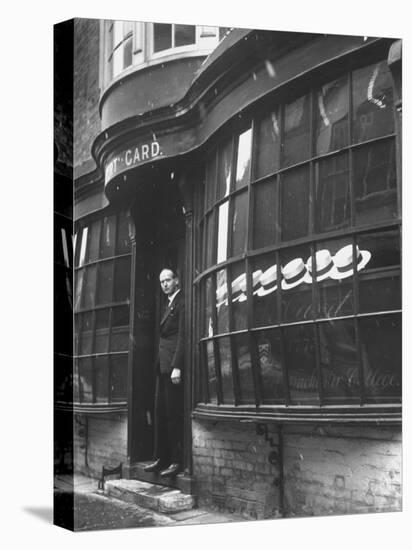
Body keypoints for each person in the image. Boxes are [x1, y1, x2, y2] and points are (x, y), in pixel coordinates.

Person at [144, 268, 184, 477]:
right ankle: (162, 458)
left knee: (173, 414)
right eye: (162, 282)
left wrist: (177, 365)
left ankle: (177, 460)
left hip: (172, 368)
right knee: (160, 412)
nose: (165, 284)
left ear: (176, 281)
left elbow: (182, 336)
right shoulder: (165, 304)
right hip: (162, 365)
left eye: (168, 280)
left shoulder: (182, 302)